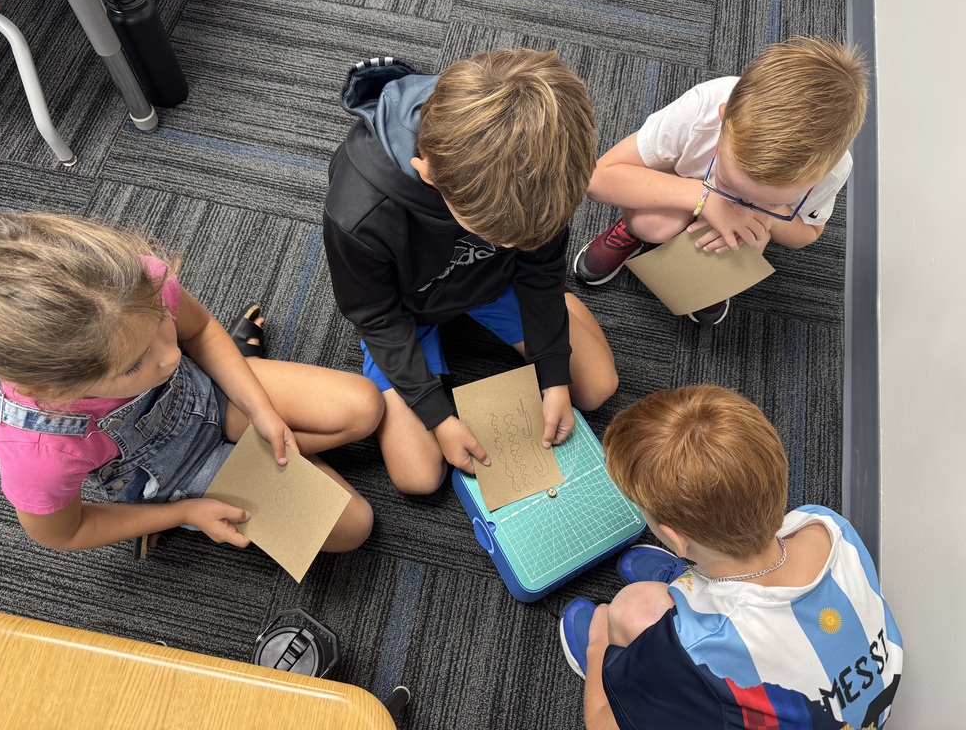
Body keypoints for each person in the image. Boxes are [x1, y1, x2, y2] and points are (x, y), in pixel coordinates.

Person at [0, 211, 381, 554]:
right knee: (354, 527)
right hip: (175, 475)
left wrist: (259, 409)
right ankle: (200, 501)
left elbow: (200, 331)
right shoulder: (39, 452)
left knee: (364, 408)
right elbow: (64, 532)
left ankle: (246, 438)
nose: (172, 355)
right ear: (58, 391)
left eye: (159, 323)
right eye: (134, 366)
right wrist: (183, 512)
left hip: (207, 394)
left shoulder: (131, 285)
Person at [323, 48, 619, 494]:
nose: (510, 245)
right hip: (407, 310)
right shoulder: (359, 213)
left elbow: (539, 269)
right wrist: (437, 415)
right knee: (418, 477)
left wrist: (553, 371)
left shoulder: (546, 170)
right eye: (497, 234)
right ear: (428, 175)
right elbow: (375, 316)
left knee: (596, 388)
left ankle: (562, 310)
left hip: (493, 286)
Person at [559, 385, 902, 729]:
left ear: (677, 539)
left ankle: (617, 666)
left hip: (728, 671)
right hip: (867, 709)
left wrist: (598, 643)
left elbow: (600, 724)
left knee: (627, 610)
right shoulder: (826, 524)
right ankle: (706, 578)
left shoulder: (694, 649)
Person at [574, 36, 869, 325]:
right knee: (651, 224)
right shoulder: (702, 109)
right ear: (724, 118)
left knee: (745, 244)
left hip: (741, 226)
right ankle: (632, 231)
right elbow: (598, 178)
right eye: (729, 183)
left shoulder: (833, 169)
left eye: (771, 200)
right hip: (684, 186)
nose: (740, 203)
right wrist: (705, 198)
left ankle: (711, 276)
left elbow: (808, 232)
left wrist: (762, 219)